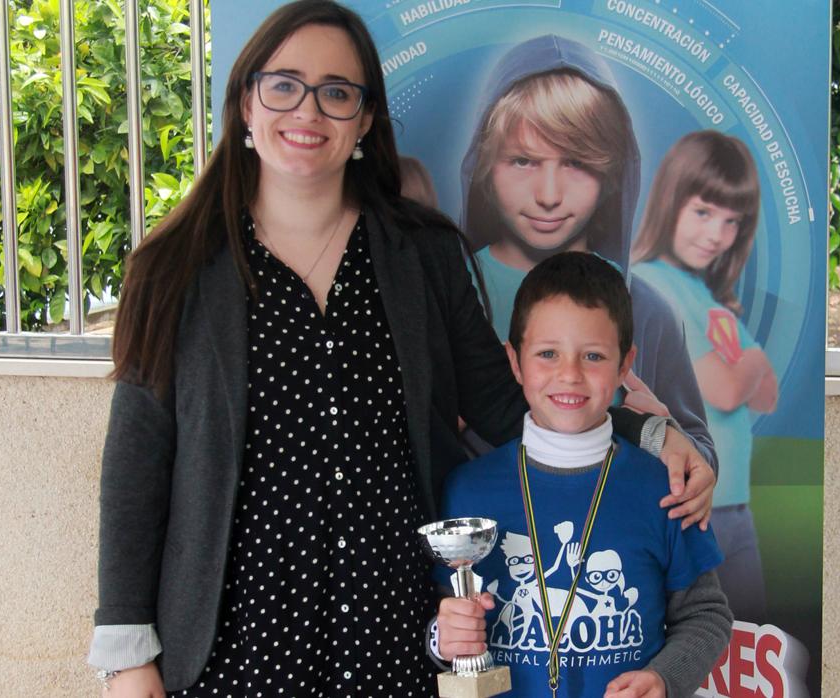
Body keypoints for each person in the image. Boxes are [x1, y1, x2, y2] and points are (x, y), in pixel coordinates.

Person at [86, 2, 718, 696]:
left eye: (336, 92)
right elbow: (135, 471)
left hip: (400, 643)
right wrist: (127, 656)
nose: (308, 111)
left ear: (363, 120)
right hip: (237, 649)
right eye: (283, 84)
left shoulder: (423, 255)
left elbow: (508, 405)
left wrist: (650, 434)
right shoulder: (173, 268)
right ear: (246, 101)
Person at [434, 252, 732, 697]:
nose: (569, 375)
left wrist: (664, 678)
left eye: (592, 355)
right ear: (514, 362)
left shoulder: (665, 488)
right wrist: (441, 639)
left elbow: (706, 615)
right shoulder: (467, 490)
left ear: (625, 364)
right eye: (548, 354)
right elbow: (436, 616)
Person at [458, 34, 715, 470]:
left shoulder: (645, 308)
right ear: (483, 167)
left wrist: (666, 434)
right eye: (523, 161)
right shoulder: (452, 297)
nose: (549, 195)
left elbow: (699, 456)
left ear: (613, 175)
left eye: (576, 164)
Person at [631, 130, 779, 623]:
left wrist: (748, 369)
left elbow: (767, 397)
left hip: (734, 503)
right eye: (703, 212)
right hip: (693, 503)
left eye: (732, 221)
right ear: (670, 201)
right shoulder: (652, 283)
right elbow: (730, 387)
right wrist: (752, 360)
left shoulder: (708, 298)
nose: (716, 234)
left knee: (752, 647)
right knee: (703, 646)